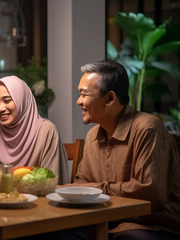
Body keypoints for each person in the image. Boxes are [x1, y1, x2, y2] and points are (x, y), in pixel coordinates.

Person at [65, 60, 180, 239]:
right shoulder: (93, 135)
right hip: (105, 221)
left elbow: (150, 193)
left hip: (152, 225)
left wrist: (96, 189)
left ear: (110, 98)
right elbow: (82, 184)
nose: (79, 101)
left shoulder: (148, 129)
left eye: (84, 94)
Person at [0, 75, 69, 184]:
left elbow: (50, 183)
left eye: (7, 100)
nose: (0, 108)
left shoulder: (46, 131)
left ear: (22, 100)